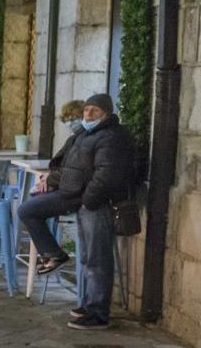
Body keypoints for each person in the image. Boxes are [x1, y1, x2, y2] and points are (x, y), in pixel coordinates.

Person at [19, 94, 134, 330]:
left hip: (95, 202)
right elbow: (68, 167)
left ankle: (97, 312)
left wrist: (88, 200)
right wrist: (51, 179)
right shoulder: (83, 135)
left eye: (95, 111)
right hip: (73, 196)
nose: (88, 115)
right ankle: (56, 256)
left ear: (108, 113)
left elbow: (106, 174)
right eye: (87, 110)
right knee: (29, 210)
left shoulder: (111, 137)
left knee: (96, 257)